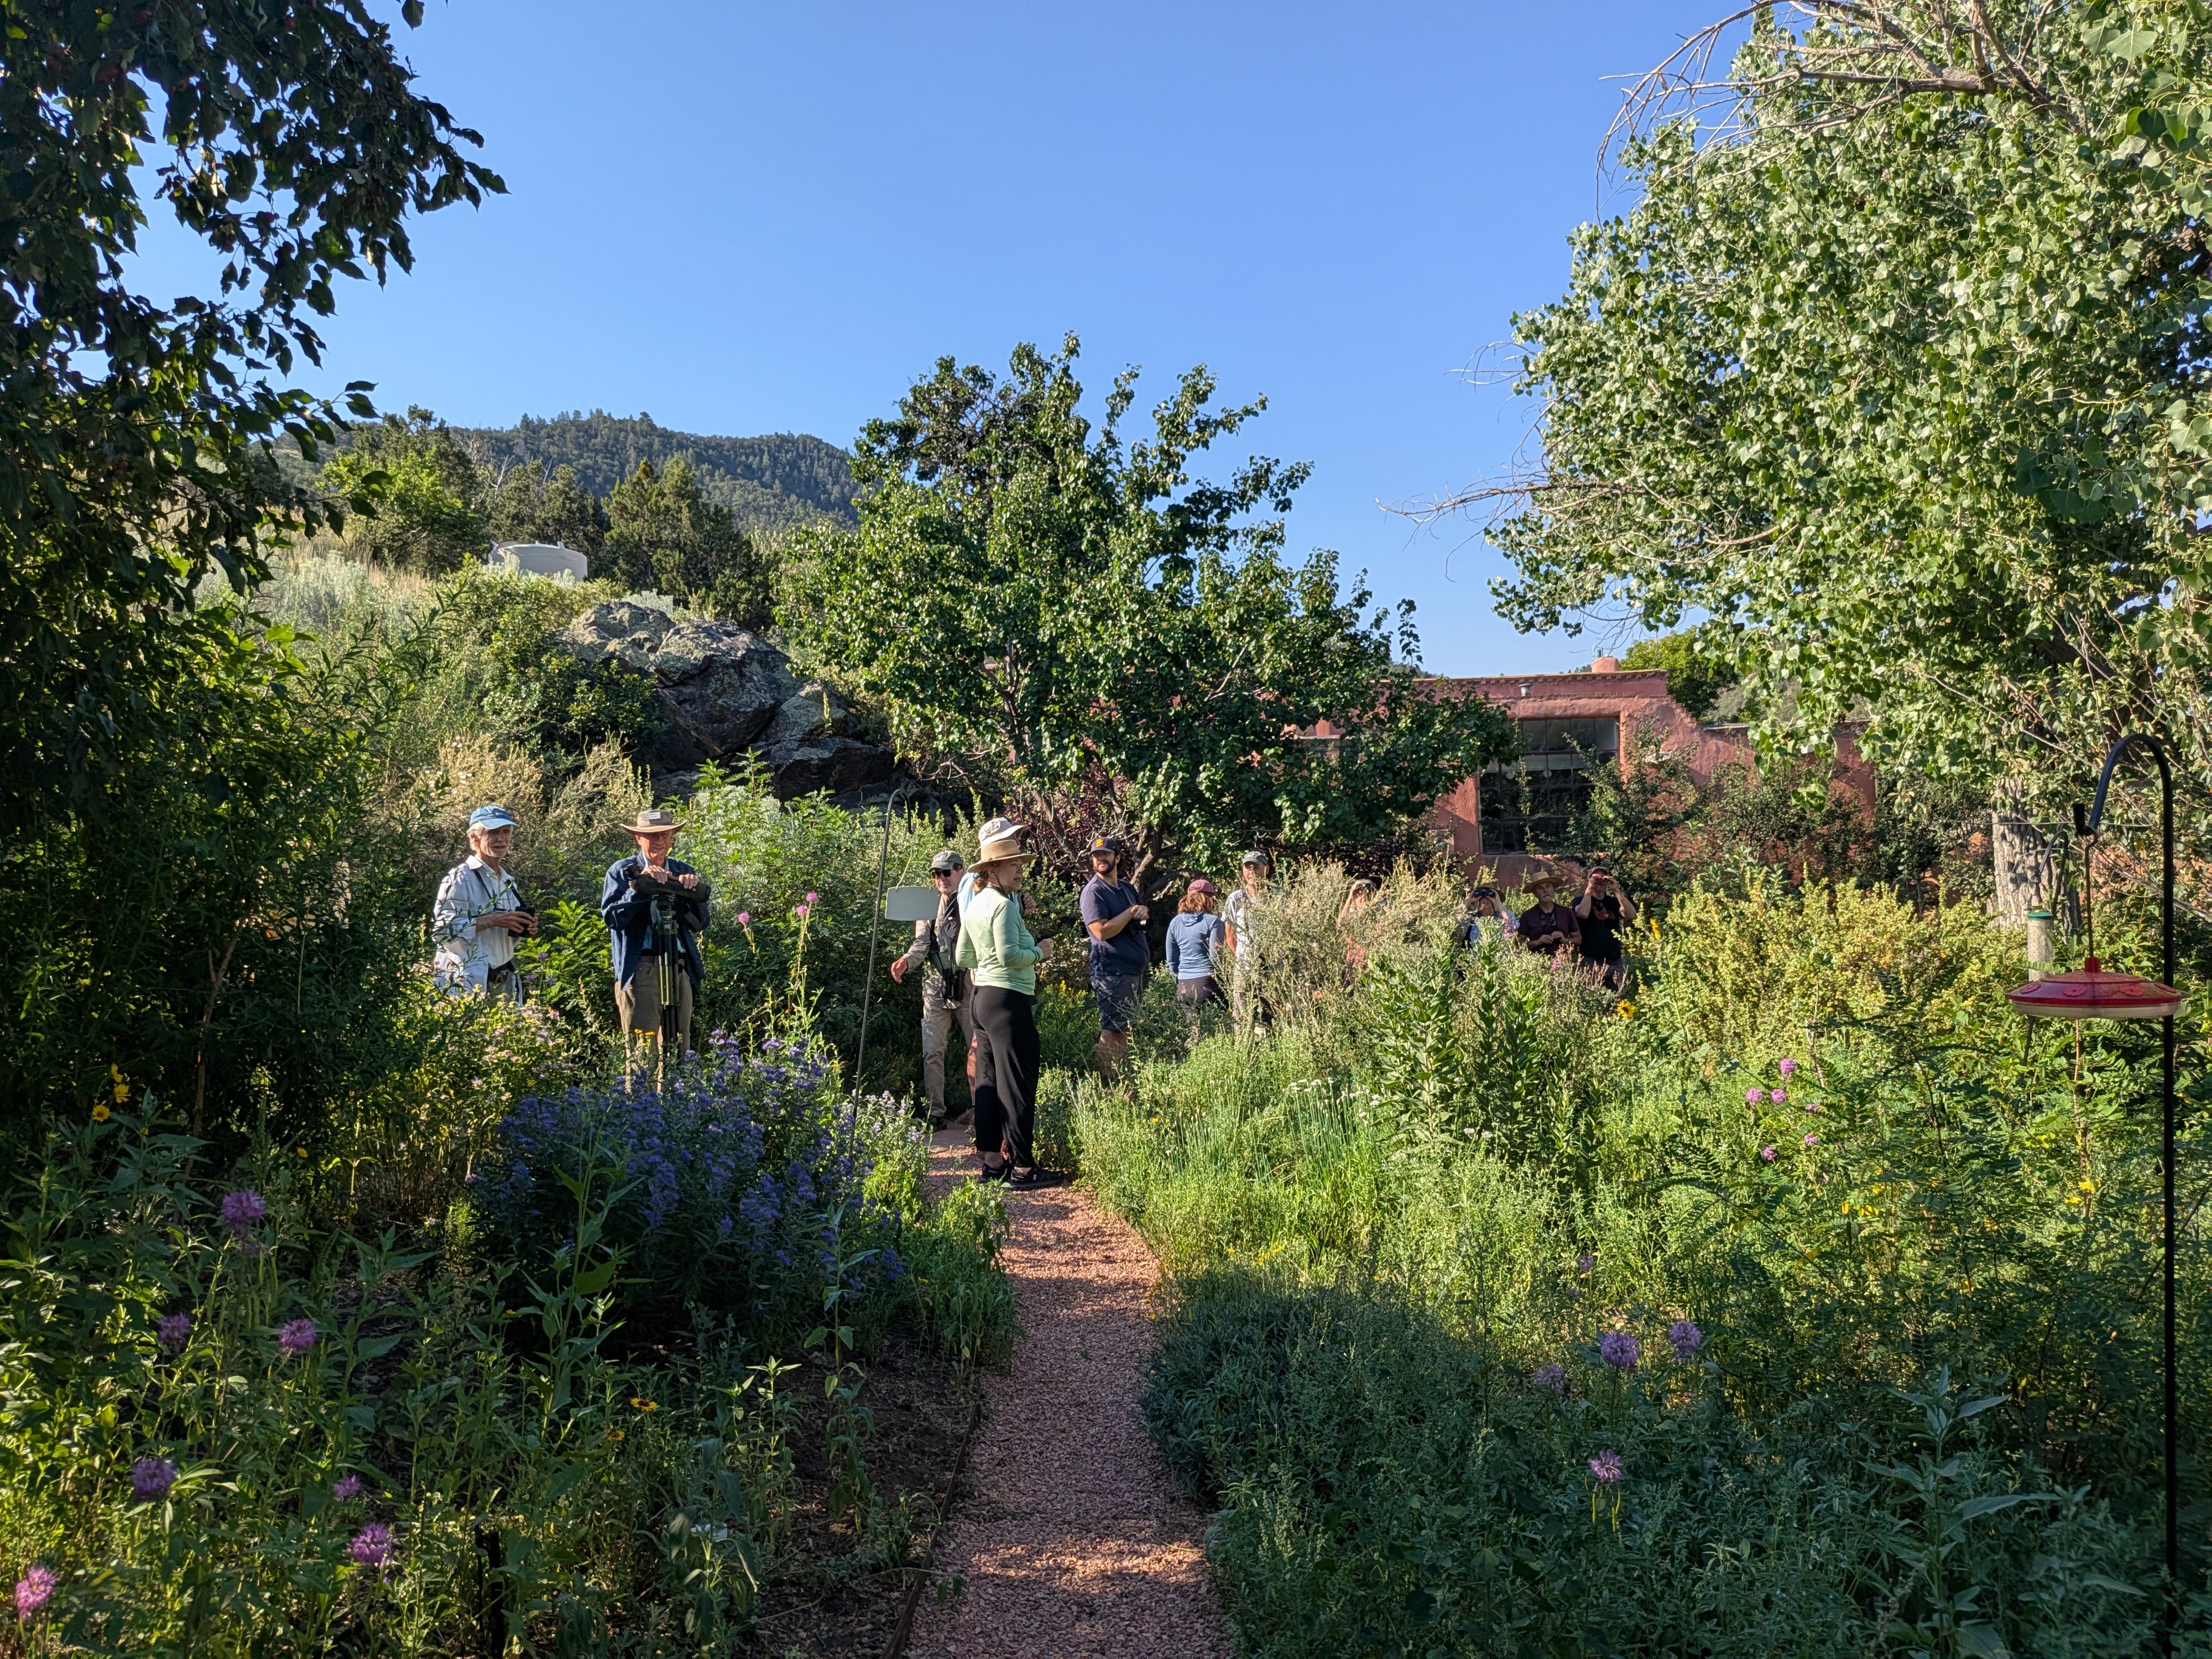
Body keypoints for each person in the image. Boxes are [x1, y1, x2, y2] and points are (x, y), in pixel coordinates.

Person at [954, 820, 1053, 1188]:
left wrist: (990, 964)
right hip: (1008, 999)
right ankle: (1024, 1169)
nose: (1020, 869)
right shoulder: (1004, 907)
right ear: (993, 868)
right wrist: (1040, 952)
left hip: (982, 1000)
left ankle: (994, 1164)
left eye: (1021, 863)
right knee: (1018, 1083)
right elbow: (1011, 955)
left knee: (989, 1082)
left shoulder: (977, 904)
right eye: (1013, 863)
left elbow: (964, 955)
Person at [601, 807, 710, 1056]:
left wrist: (693, 896)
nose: (658, 841)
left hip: (679, 968)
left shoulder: (682, 869)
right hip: (641, 970)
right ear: (638, 838)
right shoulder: (622, 871)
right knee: (642, 1058)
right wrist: (640, 886)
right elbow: (613, 918)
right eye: (651, 836)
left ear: (672, 836)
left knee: (681, 1051)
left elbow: (701, 924)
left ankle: (676, 1095)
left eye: (664, 834)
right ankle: (642, 1096)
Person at [890, 849, 972, 1128]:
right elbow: (922, 944)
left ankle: (980, 1109)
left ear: (961, 871)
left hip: (971, 983)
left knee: (978, 1048)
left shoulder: (975, 901)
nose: (941, 879)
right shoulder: (928, 906)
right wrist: (906, 962)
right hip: (937, 984)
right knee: (933, 1050)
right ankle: (935, 1112)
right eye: (936, 874)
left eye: (946, 872)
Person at [430, 804, 539, 998]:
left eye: (506, 832)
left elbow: (502, 941)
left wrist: (522, 928)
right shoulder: (459, 878)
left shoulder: (508, 881)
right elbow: (441, 932)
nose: (501, 839)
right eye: (493, 832)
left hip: (505, 981)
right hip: (467, 984)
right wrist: (490, 920)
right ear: (474, 838)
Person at [1079, 834, 1150, 1078]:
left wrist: (1142, 913)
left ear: (1117, 857)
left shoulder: (1127, 888)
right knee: (1113, 1031)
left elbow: (1137, 920)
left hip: (1131, 972)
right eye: (1096, 855)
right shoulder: (1094, 892)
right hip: (1112, 973)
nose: (1100, 858)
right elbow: (1100, 931)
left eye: (1106, 854)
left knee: (1126, 1029)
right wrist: (1130, 913)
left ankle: (1123, 1082)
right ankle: (1110, 1085)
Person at [1222, 849, 1272, 1028]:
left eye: (1256, 867)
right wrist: (1244, 958)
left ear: (1266, 869)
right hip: (1245, 967)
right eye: (1248, 867)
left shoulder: (1277, 896)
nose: (1252, 871)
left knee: (1270, 1015)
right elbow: (1230, 936)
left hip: (1272, 968)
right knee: (1243, 1018)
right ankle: (1245, 1052)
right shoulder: (1236, 898)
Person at [1164, 878, 1225, 1011]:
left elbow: (1172, 960)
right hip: (1207, 982)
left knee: (1194, 1030)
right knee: (1218, 1028)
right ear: (1207, 897)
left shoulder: (1175, 922)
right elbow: (1216, 956)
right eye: (1212, 897)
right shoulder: (1213, 921)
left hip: (1184, 985)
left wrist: (1179, 980)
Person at [1574, 863, 1637, 989]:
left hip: (1614, 960)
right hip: (1590, 960)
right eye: (1595, 877)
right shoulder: (1579, 901)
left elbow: (1632, 915)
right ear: (1589, 880)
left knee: (1619, 998)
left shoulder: (1613, 902)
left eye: (1602, 877)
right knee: (1592, 998)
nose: (1599, 880)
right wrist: (1589, 888)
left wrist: (1617, 891)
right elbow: (1582, 913)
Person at [1516, 874, 1580, 959]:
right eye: (1540, 888)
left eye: (1548, 886)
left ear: (1553, 889)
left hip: (1564, 966)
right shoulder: (1528, 916)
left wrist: (1565, 940)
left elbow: (1578, 940)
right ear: (1535, 893)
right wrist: (1537, 942)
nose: (1546, 890)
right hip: (1538, 967)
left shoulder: (1566, 912)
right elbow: (1519, 944)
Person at [1453, 885, 1517, 949]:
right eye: (1482, 897)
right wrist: (1467, 901)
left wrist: (1499, 903)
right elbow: (1453, 922)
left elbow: (1513, 925)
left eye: (1490, 896)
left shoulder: (1502, 918)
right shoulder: (1472, 919)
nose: (1485, 899)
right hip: (1475, 959)